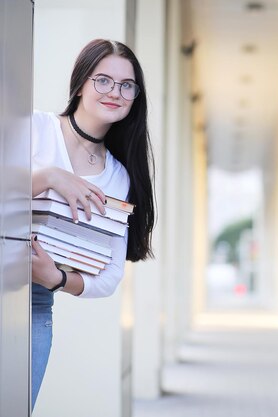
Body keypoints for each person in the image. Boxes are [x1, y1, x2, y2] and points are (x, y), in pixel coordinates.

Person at [29, 39, 155, 409]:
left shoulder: (118, 177)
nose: (115, 92)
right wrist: (50, 177)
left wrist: (57, 280)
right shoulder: (34, 127)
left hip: (35, 305)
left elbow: (111, 275)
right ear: (81, 82)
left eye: (126, 85)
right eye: (103, 80)